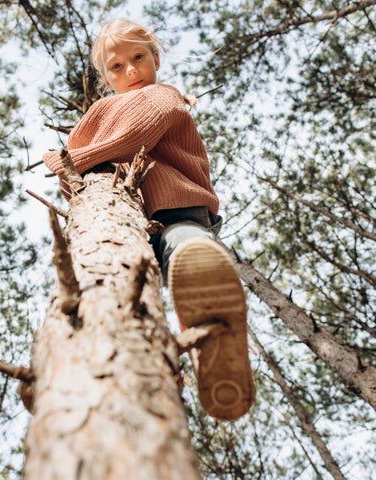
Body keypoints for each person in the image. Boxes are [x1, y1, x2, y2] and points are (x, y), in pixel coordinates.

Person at [42, 19, 255, 421]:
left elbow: (138, 133)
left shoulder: (163, 94)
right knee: (139, 294)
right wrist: (73, 175)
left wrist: (73, 161)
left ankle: (203, 267)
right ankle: (190, 352)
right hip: (127, 226)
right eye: (117, 67)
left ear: (155, 58)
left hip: (176, 201)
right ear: (106, 78)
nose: (131, 71)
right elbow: (74, 181)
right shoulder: (101, 110)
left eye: (138, 58)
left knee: (184, 245)